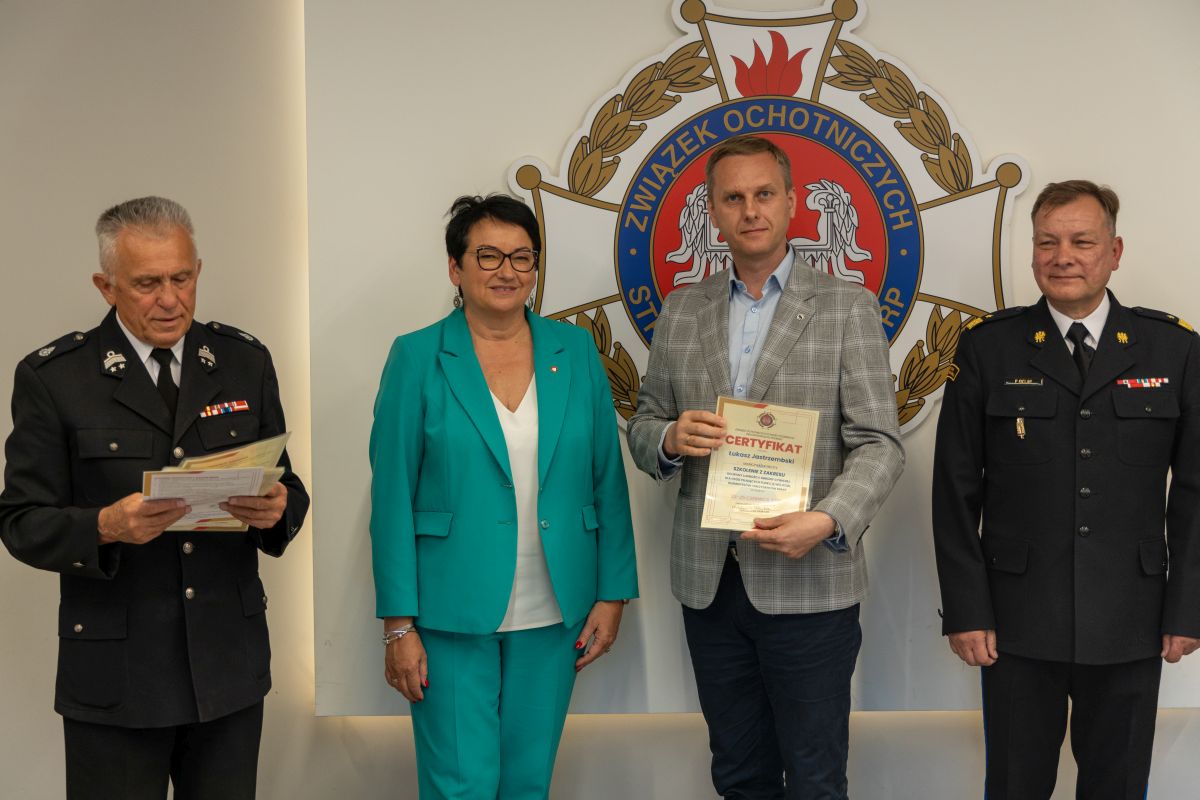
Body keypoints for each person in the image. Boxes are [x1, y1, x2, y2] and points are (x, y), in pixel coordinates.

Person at [0, 196, 309, 799]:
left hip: (226, 667)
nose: (170, 299)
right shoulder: (55, 377)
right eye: (147, 284)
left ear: (198, 271)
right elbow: (20, 521)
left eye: (182, 278)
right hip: (117, 677)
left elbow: (287, 486)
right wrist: (105, 526)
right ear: (106, 286)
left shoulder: (244, 361)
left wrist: (278, 510)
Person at [627, 135, 904, 799]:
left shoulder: (847, 306)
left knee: (814, 778)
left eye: (764, 194)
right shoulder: (681, 310)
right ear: (712, 212)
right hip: (711, 585)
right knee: (738, 775)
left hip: (810, 583)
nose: (750, 210)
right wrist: (669, 438)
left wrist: (827, 520)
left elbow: (879, 443)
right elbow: (643, 422)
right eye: (733, 198)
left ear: (791, 202)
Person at [932, 179, 1200, 799]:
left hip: (1131, 616)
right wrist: (967, 609)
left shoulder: (1174, 349)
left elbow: (1193, 494)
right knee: (1015, 785)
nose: (1063, 257)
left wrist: (1187, 608)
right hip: (1017, 620)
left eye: (1082, 241)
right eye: (1047, 242)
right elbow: (954, 491)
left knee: (1118, 786)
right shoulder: (988, 348)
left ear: (1115, 251)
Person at [369, 193, 638, 799]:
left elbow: (607, 478)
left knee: (527, 783)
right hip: (448, 610)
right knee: (460, 785)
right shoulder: (417, 356)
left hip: (557, 606)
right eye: (488, 255)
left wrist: (613, 593)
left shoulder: (575, 351)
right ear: (455, 267)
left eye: (522, 257)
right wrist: (397, 626)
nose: (507, 271)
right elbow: (390, 498)